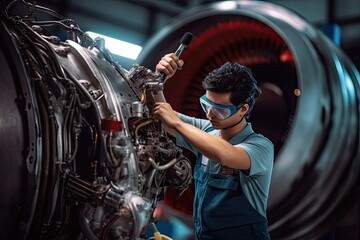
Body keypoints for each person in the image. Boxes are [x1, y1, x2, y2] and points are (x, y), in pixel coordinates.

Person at [153, 53, 274, 240]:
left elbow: (225, 154)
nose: (210, 114)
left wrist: (178, 123)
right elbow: (165, 116)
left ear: (243, 109)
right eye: (206, 105)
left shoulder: (260, 147)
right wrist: (157, 81)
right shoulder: (206, 130)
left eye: (220, 110)